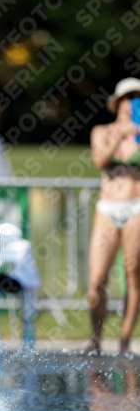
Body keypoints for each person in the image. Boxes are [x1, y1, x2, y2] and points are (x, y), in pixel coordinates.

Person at [87, 77, 140, 355]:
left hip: (136, 206)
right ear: (117, 102)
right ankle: (95, 339)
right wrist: (122, 134)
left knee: (133, 276)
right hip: (108, 207)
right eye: (127, 97)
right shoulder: (103, 131)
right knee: (97, 280)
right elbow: (100, 161)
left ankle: (124, 342)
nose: (131, 103)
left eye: (136, 97)